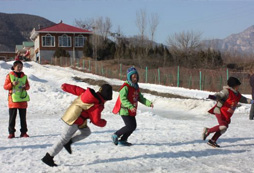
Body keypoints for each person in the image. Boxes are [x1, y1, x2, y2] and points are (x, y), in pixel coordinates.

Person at [41, 83, 112, 167]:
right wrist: (104, 122)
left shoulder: (88, 93)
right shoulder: (97, 105)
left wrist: (65, 86)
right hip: (74, 119)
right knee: (64, 138)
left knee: (86, 132)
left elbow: (76, 89)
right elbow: (96, 120)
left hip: (78, 118)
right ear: (106, 98)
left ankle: (69, 142)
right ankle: (48, 157)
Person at [202, 76, 253, 148]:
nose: (238, 87)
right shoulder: (227, 91)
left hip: (227, 114)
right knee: (223, 126)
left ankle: (212, 141)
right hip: (220, 111)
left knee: (224, 129)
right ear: (234, 85)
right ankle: (208, 131)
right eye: (238, 85)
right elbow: (219, 95)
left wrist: (251, 101)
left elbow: (243, 99)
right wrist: (214, 97)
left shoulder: (237, 94)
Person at [112, 67, 153, 146]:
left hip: (131, 110)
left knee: (133, 126)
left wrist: (149, 103)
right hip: (124, 110)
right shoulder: (125, 87)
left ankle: (123, 140)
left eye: (136, 76)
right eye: (133, 77)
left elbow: (140, 98)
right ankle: (116, 135)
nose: (135, 78)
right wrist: (130, 106)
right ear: (129, 77)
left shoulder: (136, 87)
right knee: (129, 126)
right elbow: (123, 99)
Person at [3, 60, 30, 139]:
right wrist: (12, 84)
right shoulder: (9, 76)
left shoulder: (24, 76)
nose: (19, 68)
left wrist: (25, 86)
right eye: (18, 67)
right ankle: (11, 133)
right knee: (12, 118)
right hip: (13, 101)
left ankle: (24, 132)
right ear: (14, 67)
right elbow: (5, 86)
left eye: (21, 67)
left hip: (22, 100)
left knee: (23, 118)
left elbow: (28, 87)